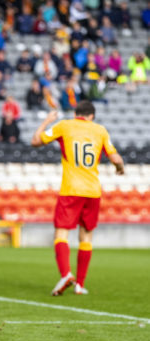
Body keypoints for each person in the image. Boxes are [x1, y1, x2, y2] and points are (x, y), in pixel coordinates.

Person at [31, 101, 124, 296]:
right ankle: (80, 285)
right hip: (92, 192)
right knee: (86, 237)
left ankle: (66, 274)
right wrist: (120, 169)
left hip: (71, 190)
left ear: (76, 114)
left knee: (61, 234)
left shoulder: (65, 125)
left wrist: (46, 121)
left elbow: (36, 141)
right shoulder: (100, 130)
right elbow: (116, 158)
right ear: (92, 116)